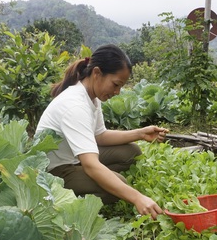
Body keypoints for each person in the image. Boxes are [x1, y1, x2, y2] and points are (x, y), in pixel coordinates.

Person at [36, 44, 168, 219]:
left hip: (75, 159)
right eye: (116, 84)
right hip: (55, 171)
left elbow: (99, 136)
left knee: (131, 152)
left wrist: (141, 133)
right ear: (97, 73)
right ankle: (63, 202)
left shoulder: (91, 96)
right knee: (117, 188)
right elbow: (91, 165)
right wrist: (137, 198)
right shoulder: (75, 104)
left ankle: (97, 180)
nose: (117, 92)